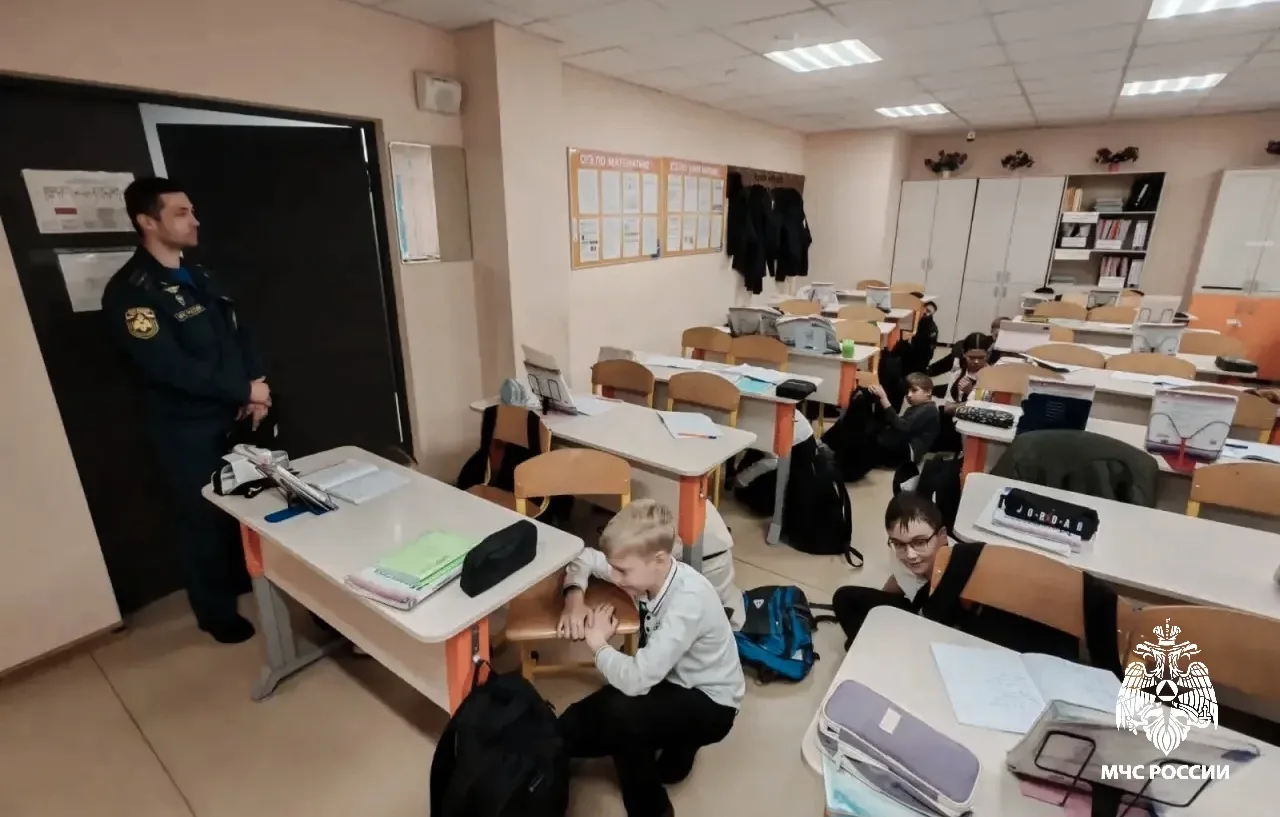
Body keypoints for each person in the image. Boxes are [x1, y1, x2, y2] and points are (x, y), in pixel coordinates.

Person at [103, 177, 270, 644]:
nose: (194, 221)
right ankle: (214, 612)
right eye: (180, 213)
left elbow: (239, 334)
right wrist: (243, 388)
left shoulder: (201, 277)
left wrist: (255, 388)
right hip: (185, 429)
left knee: (241, 506)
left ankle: (242, 578)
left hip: (233, 416)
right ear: (147, 221)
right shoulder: (132, 293)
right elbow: (169, 367)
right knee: (200, 522)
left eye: (192, 210)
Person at [557, 500, 744, 817]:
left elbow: (636, 680)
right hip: (673, 679)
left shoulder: (687, 602)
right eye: (614, 568)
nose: (616, 577)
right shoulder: (644, 569)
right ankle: (677, 752)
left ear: (659, 559)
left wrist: (599, 644)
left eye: (622, 571)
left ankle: (652, 809)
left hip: (712, 703)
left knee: (620, 716)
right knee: (590, 725)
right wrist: (574, 599)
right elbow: (584, 557)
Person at [830, 493, 947, 649]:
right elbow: (899, 578)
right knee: (844, 598)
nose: (910, 555)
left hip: (940, 629)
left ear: (942, 536)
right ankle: (862, 648)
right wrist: (880, 608)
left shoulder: (961, 568)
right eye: (898, 544)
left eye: (920, 542)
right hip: (915, 610)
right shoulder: (900, 552)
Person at [868, 373, 940, 479]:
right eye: (907, 392)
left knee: (873, 443)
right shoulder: (919, 407)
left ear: (928, 392)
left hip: (910, 451)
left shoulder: (929, 409)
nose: (909, 395)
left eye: (914, 390)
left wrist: (884, 399)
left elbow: (903, 426)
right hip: (905, 444)